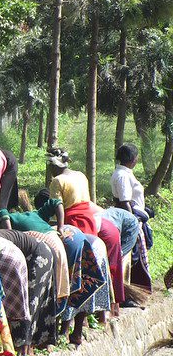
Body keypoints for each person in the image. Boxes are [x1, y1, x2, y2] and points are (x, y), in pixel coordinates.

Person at [47, 148, 124, 312]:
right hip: (89, 219)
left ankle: (72, 309)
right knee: (93, 263)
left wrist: (59, 226)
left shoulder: (57, 181)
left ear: (54, 165)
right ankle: (101, 309)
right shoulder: (80, 175)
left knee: (75, 269)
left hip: (72, 223)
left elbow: (57, 206)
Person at [36, 190, 110, 345]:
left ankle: (62, 333)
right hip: (93, 243)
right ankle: (76, 333)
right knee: (83, 289)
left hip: (80, 246)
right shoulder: (57, 223)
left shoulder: (43, 227)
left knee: (69, 288)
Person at [0, 229, 57, 352]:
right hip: (21, 254)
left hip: (39, 254)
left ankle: (24, 349)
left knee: (28, 302)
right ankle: (19, 345)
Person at [112, 143, 153, 296]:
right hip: (129, 220)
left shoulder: (125, 173)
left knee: (134, 258)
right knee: (131, 257)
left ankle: (132, 291)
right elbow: (124, 201)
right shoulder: (122, 176)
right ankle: (126, 293)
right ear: (133, 159)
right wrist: (133, 224)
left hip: (133, 217)